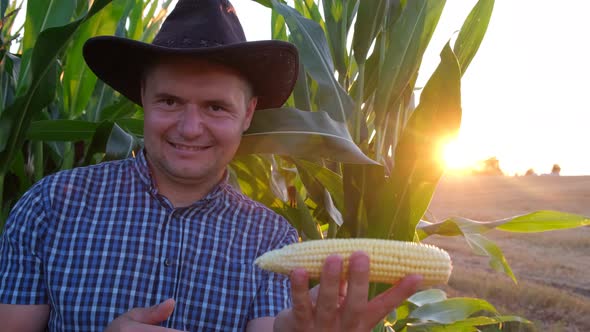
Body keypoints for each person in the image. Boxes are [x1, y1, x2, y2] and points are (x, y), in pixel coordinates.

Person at [0, 0, 421, 331]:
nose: (190, 127)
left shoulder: (272, 239)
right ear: (142, 98)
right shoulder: (50, 206)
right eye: (169, 101)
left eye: (216, 107)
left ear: (249, 113)